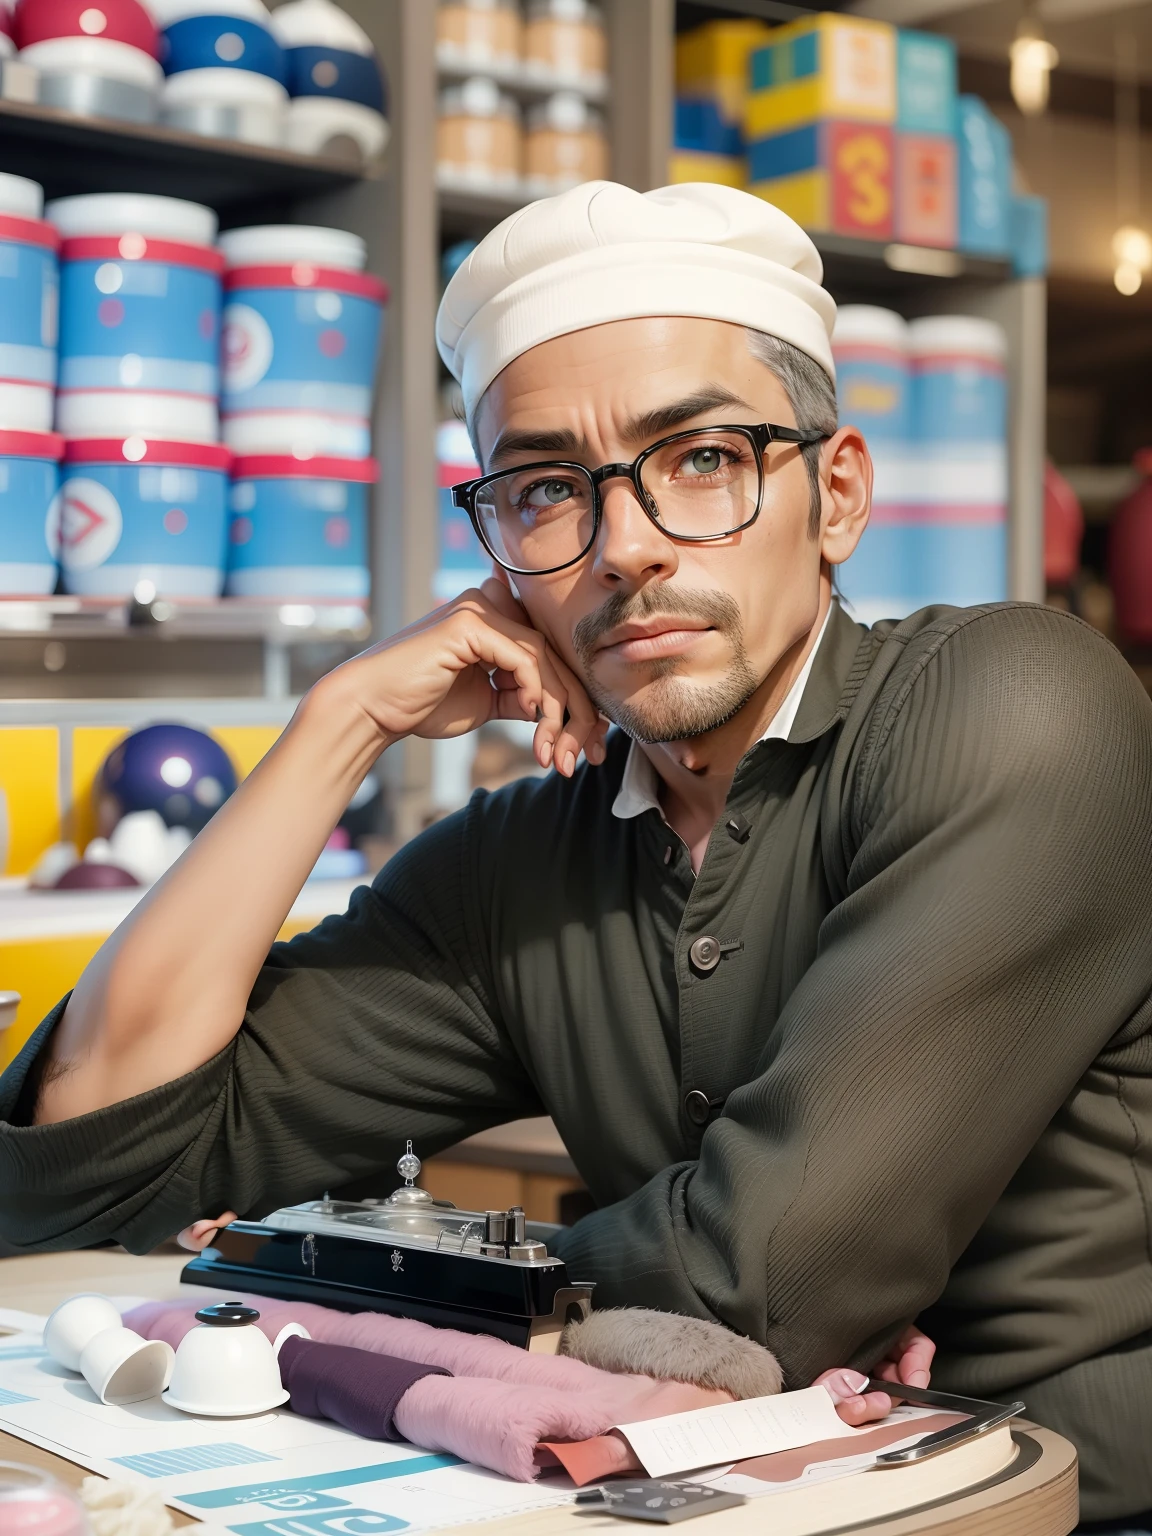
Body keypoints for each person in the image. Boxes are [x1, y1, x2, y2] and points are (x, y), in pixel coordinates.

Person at [1, 182, 1150, 1520]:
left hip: (1066, 1498)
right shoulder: (519, 866)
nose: (628, 548)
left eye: (704, 460)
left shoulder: (1014, 706)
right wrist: (341, 721)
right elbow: (96, 1178)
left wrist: (329, 1281)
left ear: (835, 496)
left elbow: (760, 1282)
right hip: (725, 1497)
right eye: (549, 490)